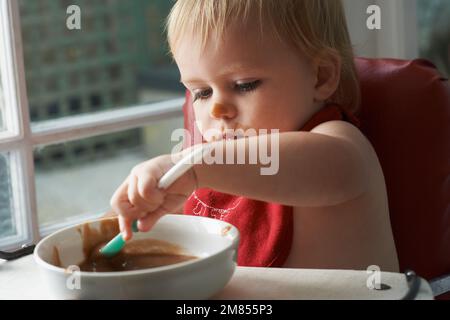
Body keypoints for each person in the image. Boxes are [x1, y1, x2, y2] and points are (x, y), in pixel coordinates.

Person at [110, 0, 399, 272]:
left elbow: (322, 167)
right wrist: (145, 204)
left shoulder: (339, 146)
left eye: (244, 85)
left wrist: (192, 165)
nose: (218, 108)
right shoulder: (214, 168)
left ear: (321, 76)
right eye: (202, 93)